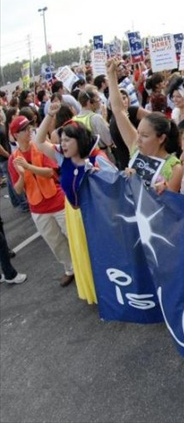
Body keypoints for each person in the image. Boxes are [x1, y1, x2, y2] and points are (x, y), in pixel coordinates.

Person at [35, 103, 111, 304]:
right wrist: (49, 116)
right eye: (62, 140)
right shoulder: (62, 159)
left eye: (68, 140)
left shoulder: (98, 160)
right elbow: (39, 141)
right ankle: (95, 293)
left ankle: (109, 292)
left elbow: (115, 187)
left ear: (80, 141)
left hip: (94, 217)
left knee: (99, 254)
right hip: (73, 213)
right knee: (83, 256)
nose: (64, 144)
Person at [7, 115, 74, 286]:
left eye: (29, 127)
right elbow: (17, 189)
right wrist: (22, 174)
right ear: (15, 135)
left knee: (73, 236)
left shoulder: (40, 146)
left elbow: (50, 172)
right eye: (24, 129)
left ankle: (86, 265)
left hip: (57, 200)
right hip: (38, 208)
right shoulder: (12, 159)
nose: (29, 131)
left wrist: (28, 167)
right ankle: (70, 268)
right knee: (56, 243)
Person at [106, 58, 183, 192]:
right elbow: (118, 111)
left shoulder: (174, 168)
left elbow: (169, 206)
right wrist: (111, 76)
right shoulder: (136, 149)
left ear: (161, 138)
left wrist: (138, 182)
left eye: (145, 135)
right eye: (139, 133)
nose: (138, 139)